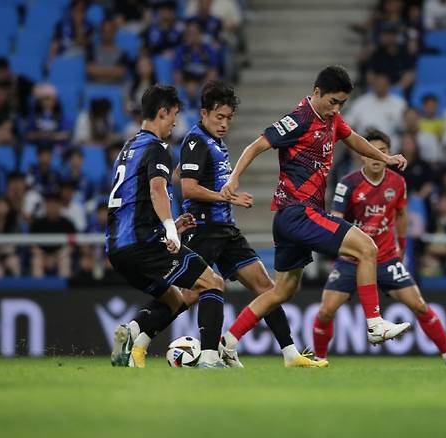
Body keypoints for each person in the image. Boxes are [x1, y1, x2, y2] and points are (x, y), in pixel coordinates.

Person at [218, 66, 411, 361]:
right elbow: (257, 145)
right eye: (333, 102)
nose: (337, 109)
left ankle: (228, 341)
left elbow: (354, 139)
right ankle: (374, 323)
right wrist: (233, 178)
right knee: (366, 247)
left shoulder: (331, 119)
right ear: (317, 92)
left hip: (290, 218)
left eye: (342, 104)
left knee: (282, 291)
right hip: (298, 212)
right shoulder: (299, 119)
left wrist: (385, 158)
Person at [179, 80, 320, 368]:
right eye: (219, 117)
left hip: (226, 231)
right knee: (188, 294)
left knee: (265, 287)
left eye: (229, 119)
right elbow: (188, 188)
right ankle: (139, 332)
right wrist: (226, 197)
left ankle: (290, 353)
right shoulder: (194, 141)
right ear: (204, 113)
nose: (224, 124)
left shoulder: (216, 143)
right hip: (203, 229)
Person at [312, 130, 446, 366]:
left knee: (419, 305)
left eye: (383, 152)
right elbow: (335, 220)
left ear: (388, 154)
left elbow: (401, 215)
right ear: (363, 156)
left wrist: (403, 246)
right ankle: (319, 359)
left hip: (386, 258)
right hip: (352, 259)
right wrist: (343, 249)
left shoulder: (398, 182)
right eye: (372, 152)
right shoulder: (348, 184)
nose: (378, 157)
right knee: (326, 311)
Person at [106, 84, 227, 368]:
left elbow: (131, 204)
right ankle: (210, 358)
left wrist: (169, 226)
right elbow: (157, 190)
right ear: (163, 112)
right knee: (213, 283)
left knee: (175, 299)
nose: (175, 122)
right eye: (174, 115)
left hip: (117, 248)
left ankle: (132, 333)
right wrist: (170, 231)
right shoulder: (157, 147)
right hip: (143, 243)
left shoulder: (127, 149)